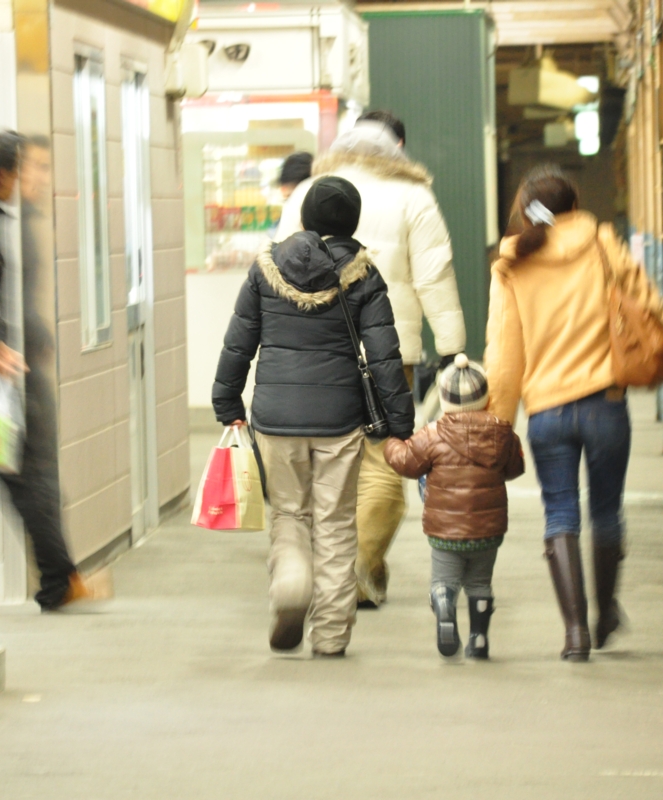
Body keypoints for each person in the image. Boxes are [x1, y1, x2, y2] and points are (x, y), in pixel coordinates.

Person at [483, 165, 663, 662]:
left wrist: (499, 423)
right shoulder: (601, 242)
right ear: (573, 204)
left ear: (524, 208)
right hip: (605, 403)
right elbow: (651, 306)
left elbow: (504, 354)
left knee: (559, 513)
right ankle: (605, 613)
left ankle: (574, 633)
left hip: (546, 412)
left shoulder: (511, 265)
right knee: (605, 511)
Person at [213, 176, 415, 657]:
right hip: (339, 421)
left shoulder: (265, 270)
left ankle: (291, 585)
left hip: (275, 419)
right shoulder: (363, 275)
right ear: (353, 222)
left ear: (304, 217)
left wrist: (227, 403)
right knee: (335, 524)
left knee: (288, 513)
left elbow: (239, 341)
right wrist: (401, 425)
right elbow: (386, 358)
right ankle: (330, 634)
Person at [278, 110, 467, 609]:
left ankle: (321, 570)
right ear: (397, 147)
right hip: (388, 354)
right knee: (383, 460)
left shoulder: (306, 192)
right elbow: (435, 276)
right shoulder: (414, 197)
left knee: (322, 460)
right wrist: (453, 347)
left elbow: (276, 265)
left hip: (313, 351)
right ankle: (361, 567)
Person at [0, 131, 91, 612]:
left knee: (5, 474)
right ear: (5, 173)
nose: (34, 178)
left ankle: (59, 577)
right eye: (27, 168)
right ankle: (58, 578)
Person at [384, 355, 524, 660]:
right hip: (488, 531)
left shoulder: (433, 434)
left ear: (444, 399)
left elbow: (407, 463)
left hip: (444, 531)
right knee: (479, 583)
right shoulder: (502, 432)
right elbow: (515, 467)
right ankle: (479, 639)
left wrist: (391, 442)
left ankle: (445, 604)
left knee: (444, 580)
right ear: (485, 398)